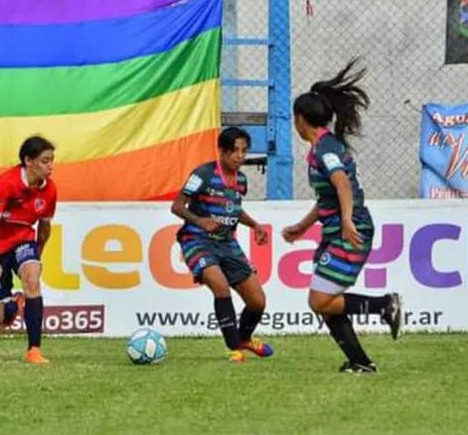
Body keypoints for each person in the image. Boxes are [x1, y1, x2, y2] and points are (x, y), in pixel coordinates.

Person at [281, 58, 402, 374]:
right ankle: (361, 362)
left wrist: (347, 219)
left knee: (319, 300)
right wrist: (301, 227)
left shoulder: (325, 149)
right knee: (325, 299)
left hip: (351, 230)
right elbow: (327, 199)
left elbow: (342, 183)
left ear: (300, 119)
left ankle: (384, 304)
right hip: (336, 230)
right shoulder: (321, 147)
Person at [171, 126, 274, 363]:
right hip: (197, 240)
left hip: (228, 244)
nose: (239, 156)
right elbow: (177, 206)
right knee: (220, 285)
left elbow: (233, 211)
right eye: (234, 151)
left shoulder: (241, 180)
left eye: (244, 151)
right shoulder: (202, 175)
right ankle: (234, 348)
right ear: (222, 151)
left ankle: (245, 339)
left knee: (258, 301)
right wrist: (200, 221)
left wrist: (254, 225)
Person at [0, 135, 57, 364]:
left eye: (52, 161)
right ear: (28, 161)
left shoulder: (50, 190)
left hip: (23, 241)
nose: (51, 166)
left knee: (32, 280)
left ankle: (34, 350)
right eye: (45, 161)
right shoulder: (6, 183)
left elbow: (44, 226)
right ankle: (13, 305)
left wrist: (36, 255)